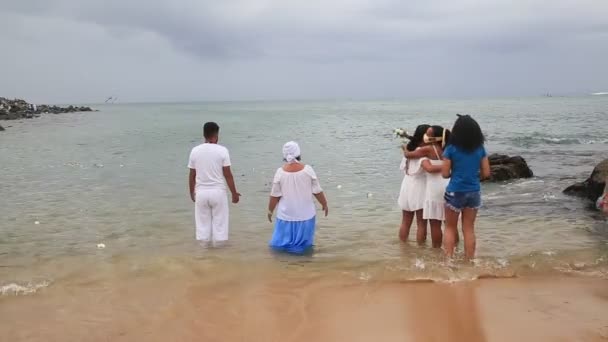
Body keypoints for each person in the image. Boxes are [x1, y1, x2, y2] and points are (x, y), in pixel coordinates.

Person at [442, 115, 491, 259]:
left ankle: (448, 261)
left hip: (455, 192)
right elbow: (486, 173)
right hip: (474, 192)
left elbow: (444, 174)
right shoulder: (480, 149)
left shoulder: (451, 149)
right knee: (469, 229)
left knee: (450, 228)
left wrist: (456, 174)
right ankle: (469, 261)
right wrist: (476, 177)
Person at [267, 142, 328, 254]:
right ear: (298, 153)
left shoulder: (280, 172)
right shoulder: (307, 170)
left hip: (285, 216)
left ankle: (282, 266)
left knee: (280, 247)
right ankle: (301, 267)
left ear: (284, 155)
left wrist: (270, 211)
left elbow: (274, 195)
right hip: (306, 215)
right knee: (304, 248)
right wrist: (324, 204)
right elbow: (317, 191)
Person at [188, 122, 240, 246]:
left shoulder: (195, 151)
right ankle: (219, 255)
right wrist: (234, 193)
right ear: (216, 135)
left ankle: (204, 256)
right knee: (220, 226)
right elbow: (228, 174)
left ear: (204, 134)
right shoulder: (222, 150)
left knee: (202, 227)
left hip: (201, 193)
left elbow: (192, 175)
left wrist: (191, 192)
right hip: (218, 193)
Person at [404, 125, 451, 248]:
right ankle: (453, 247)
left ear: (434, 138)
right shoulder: (449, 148)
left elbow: (409, 155)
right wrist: (449, 167)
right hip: (449, 184)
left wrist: (404, 148)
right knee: (450, 224)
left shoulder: (428, 149)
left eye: (429, 135)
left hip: (434, 188)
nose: (426, 137)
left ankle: (435, 251)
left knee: (434, 224)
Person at [398, 124, 430, 243]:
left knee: (405, 221)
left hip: (406, 184)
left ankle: (403, 247)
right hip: (419, 186)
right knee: (421, 223)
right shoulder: (423, 152)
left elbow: (403, 168)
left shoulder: (410, 149)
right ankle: (420, 250)